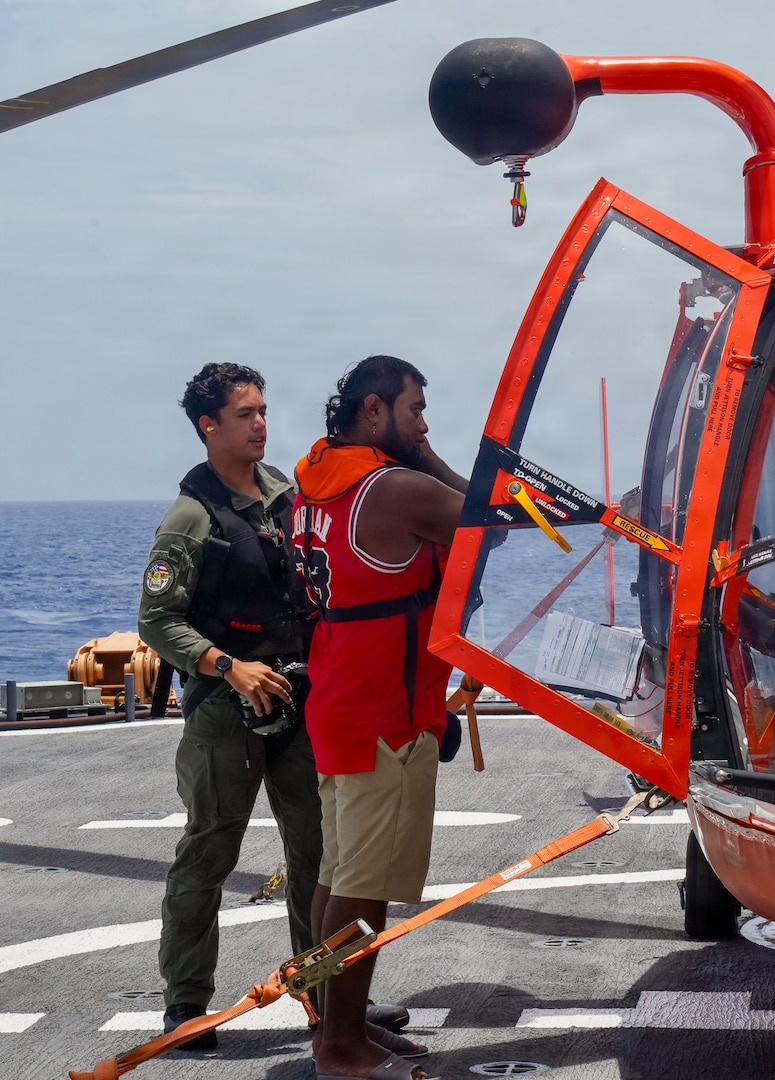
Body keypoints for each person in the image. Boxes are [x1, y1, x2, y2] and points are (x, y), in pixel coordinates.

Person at [139, 363, 404, 1050]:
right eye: (245, 414)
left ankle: (331, 1003)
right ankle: (186, 1006)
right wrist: (229, 667)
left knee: (325, 859)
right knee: (207, 854)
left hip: (302, 702)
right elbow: (157, 622)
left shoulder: (287, 494)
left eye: (263, 411)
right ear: (209, 426)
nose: (261, 424)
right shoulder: (190, 520)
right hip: (226, 714)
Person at [292, 355, 468, 1080]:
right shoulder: (393, 488)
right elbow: (491, 519)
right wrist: (424, 454)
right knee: (362, 889)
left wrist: (413, 444)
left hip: (339, 701)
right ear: (374, 409)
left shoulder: (312, 478)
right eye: (414, 409)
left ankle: (339, 1020)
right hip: (384, 715)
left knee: (337, 878)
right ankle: (340, 1047)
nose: (423, 424)